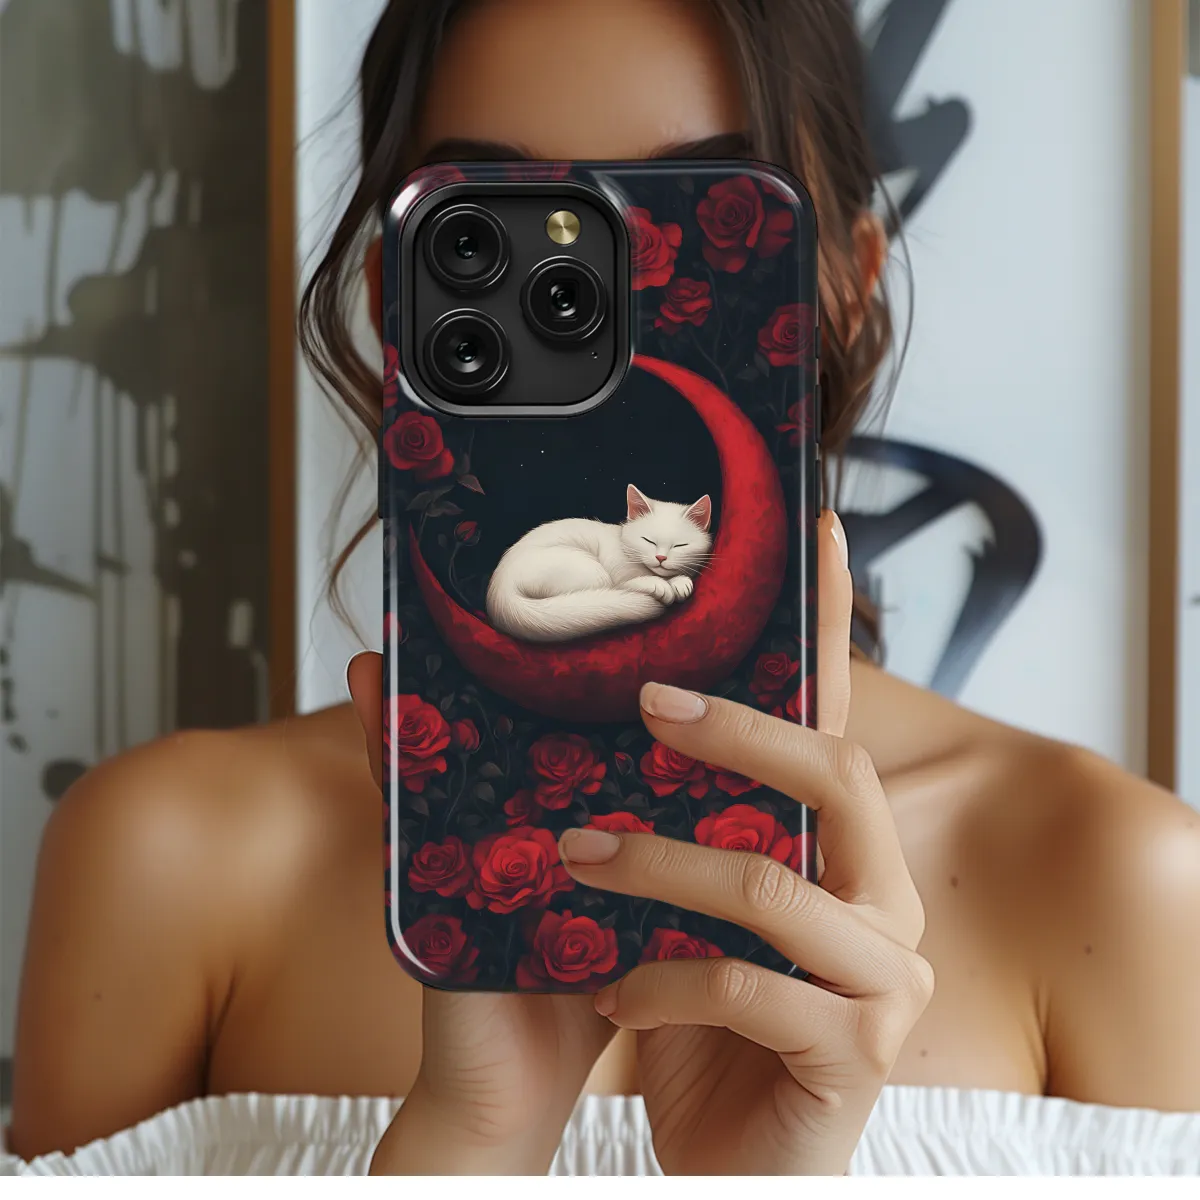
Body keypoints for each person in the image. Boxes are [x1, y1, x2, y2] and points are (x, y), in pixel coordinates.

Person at [7, 0, 1200, 1177]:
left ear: (847, 286)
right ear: (393, 299)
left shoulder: (1115, 882)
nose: (610, 298)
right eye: (491, 225)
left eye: (703, 213)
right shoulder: (170, 861)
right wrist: (474, 1142)